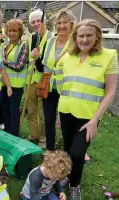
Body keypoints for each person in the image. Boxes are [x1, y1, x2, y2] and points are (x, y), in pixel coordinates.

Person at [57, 19, 119, 200]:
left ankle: (74, 184)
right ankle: (68, 175)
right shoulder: (68, 56)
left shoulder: (108, 56)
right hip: (66, 112)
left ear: (97, 36)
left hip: (88, 117)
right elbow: (64, 86)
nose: (84, 40)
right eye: (80, 35)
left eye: (89, 35)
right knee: (68, 149)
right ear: (75, 37)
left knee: (77, 152)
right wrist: (59, 114)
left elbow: (111, 91)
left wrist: (95, 120)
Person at [38, 10, 75, 153]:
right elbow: (42, 65)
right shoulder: (49, 42)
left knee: (66, 122)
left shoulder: (75, 42)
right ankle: (50, 149)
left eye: (65, 22)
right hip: (49, 87)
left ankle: (69, 150)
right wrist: (37, 58)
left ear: (71, 25)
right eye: (59, 23)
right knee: (49, 121)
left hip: (67, 89)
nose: (61, 26)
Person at [26, 9, 53, 148]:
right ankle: (33, 134)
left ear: (44, 21)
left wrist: (38, 56)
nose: (36, 24)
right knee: (31, 110)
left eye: (39, 20)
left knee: (42, 112)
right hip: (31, 80)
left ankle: (43, 138)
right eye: (33, 22)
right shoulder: (31, 38)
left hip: (44, 80)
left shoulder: (52, 38)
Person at [1, 19, 28, 137]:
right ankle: (7, 132)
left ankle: (14, 135)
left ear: (20, 32)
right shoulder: (5, 45)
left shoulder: (24, 45)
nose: (11, 33)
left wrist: (4, 62)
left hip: (16, 86)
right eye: (9, 31)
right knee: (5, 110)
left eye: (14, 31)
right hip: (4, 84)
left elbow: (19, 66)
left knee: (13, 111)